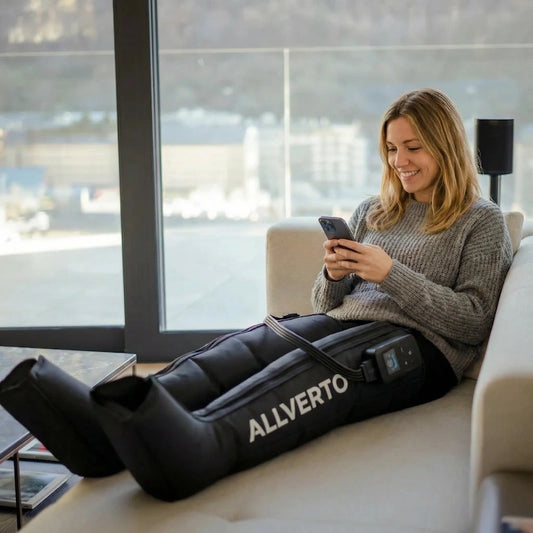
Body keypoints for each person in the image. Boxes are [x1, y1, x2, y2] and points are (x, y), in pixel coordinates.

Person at [0, 88, 513, 502]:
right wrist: (335, 272)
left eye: (413, 147)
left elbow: (473, 322)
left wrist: (391, 273)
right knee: (241, 352)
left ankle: (198, 451)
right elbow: (325, 305)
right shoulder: (375, 211)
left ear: (445, 145)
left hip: (416, 353)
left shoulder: (482, 221)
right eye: (392, 149)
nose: (400, 161)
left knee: (300, 372)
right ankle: (99, 433)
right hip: (344, 324)